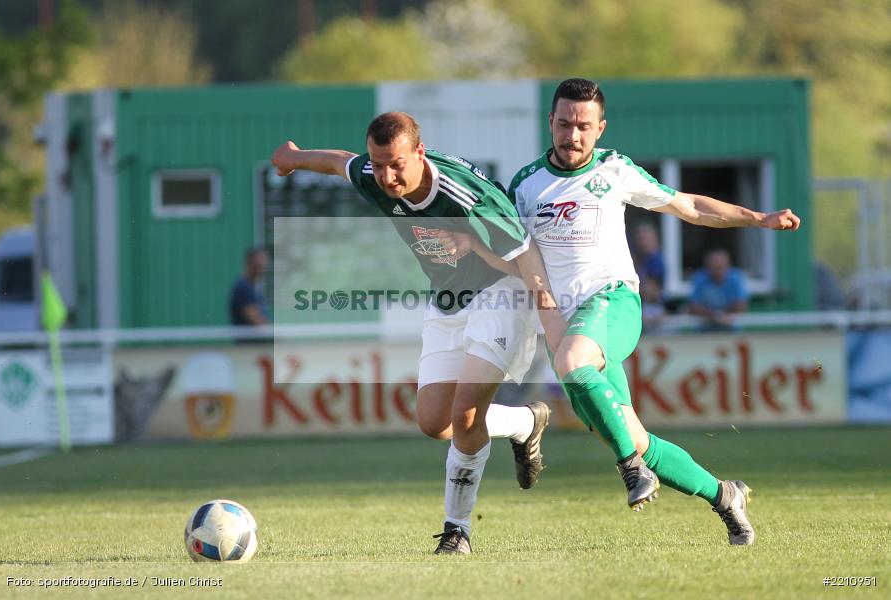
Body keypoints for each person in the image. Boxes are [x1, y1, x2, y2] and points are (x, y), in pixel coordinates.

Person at [446, 78, 800, 546]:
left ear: (600, 129)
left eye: (584, 126)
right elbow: (516, 257)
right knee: (635, 438)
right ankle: (724, 495)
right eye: (565, 124)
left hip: (612, 303)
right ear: (551, 122)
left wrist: (758, 218)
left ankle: (630, 469)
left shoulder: (615, 170)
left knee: (577, 369)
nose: (573, 135)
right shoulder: (526, 185)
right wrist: (471, 244)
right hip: (565, 327)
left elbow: (690, 206)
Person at [270, 112, 566, 555]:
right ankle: (526, 422)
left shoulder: (464, 196)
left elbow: (525, 254)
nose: (387, 176)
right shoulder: (374, 175)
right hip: (448, 298)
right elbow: (338, 162)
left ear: (419, 153)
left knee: (466, 414)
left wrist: (550, 318)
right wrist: (294, 158)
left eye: (396, 165)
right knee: (435, 423)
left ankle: (457, 531)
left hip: (500, 292)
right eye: (378, 164)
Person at [688, 248, 749, 331]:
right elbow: (694, 307)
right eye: (714, 267)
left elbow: (741, 306)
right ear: (707, 266)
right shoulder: (699, 278)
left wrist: (722, 316)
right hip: (704, 329)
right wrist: (716, 316)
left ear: (728, 265)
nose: (717, 271)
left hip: (730, 328)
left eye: (719, 267)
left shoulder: (737, 278)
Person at [229, 247, 270, 326]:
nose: (263, 267)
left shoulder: (255, 287)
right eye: (259, 264)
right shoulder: (243, 287)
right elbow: (257, 321)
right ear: (250, 263)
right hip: (245, 334)